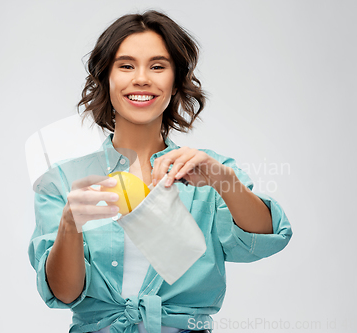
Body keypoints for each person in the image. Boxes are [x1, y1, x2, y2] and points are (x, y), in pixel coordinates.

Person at [28, 10, 293, 333]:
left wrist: (223, 181)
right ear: (106, 77)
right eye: (126, 65)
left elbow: (265, 240)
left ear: (176, 79)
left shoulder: (210, 169)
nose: (142, 78)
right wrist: (70, 223)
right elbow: (63, 293)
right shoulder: (62, 180)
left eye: (157, 66)